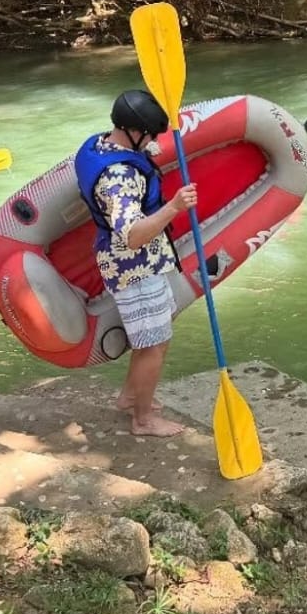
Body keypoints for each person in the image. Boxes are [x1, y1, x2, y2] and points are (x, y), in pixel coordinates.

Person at [74, 88, 199, 437]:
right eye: (149, 135)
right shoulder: (119, 177)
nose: (152, 142)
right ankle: (143, 420)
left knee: (155, 338)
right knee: (152, 346)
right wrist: (173, 206)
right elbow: (131, 236)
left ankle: (131, 396)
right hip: (135, 267)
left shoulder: (100, 144)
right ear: (134, 131)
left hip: (140, 264)